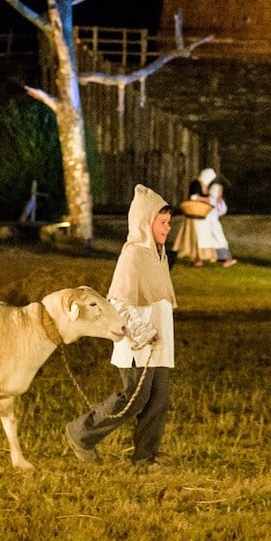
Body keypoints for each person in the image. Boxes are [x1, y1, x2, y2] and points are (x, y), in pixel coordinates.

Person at [64, 183, 176, 470]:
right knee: (133, 401)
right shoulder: (133, 255)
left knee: (158, 401)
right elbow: (119, 301)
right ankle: (81, 434)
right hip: (139, 344)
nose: (167, 229)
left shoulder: (158, 255)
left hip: (159, 344)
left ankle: (144, 457)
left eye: (169, 223)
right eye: (162, 223)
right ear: (145, 222)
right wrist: (141, 332)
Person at [190, 167, 234, 267]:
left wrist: (218, 200)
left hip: (212, 223)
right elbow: (194, 198)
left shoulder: (216, 200)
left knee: (218, 240)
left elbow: (222, 211)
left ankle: (224, 258)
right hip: (203, 221)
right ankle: (198, 259)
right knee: (202, 240)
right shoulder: (198, 186)